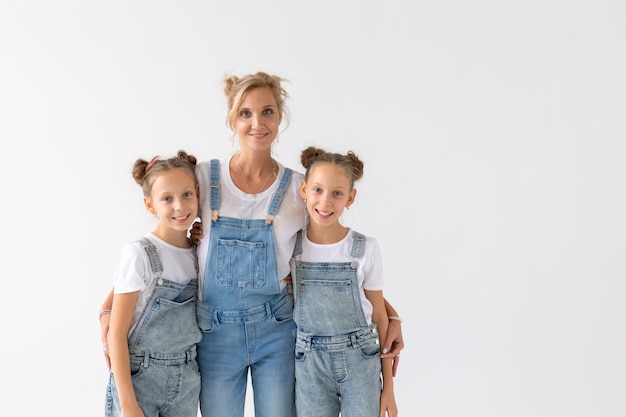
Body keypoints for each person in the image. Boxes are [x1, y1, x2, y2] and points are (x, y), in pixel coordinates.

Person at [100, 72, 404, 417]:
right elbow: (151, 256)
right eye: (245, 113)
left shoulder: (301, 189)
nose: (257, 123)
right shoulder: (201, 177)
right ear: (232, 118)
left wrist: (391, 315)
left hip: (277, 330)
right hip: (214, 333)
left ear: (280, 116)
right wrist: (107, 310)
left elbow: (331, 258)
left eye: (267, 112)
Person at [291, 146, 397, 417]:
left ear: (350, 198)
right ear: (304, 190)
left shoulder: (365, 248)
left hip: (361, 361)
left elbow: (380, 317)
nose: (325, 202)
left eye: (337, 193)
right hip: (309, 364)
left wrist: (388, 389)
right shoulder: (291, 247)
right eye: (318, 190)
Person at [104, 151, 202, 417]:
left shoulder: (199, 253)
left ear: (198, 193)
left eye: (186, 195)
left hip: (186, 380)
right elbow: (117, 332)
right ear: (150, 205)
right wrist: (128, 405)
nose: (179, 207)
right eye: (167, 199)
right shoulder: (140, 254)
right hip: (140, 381)